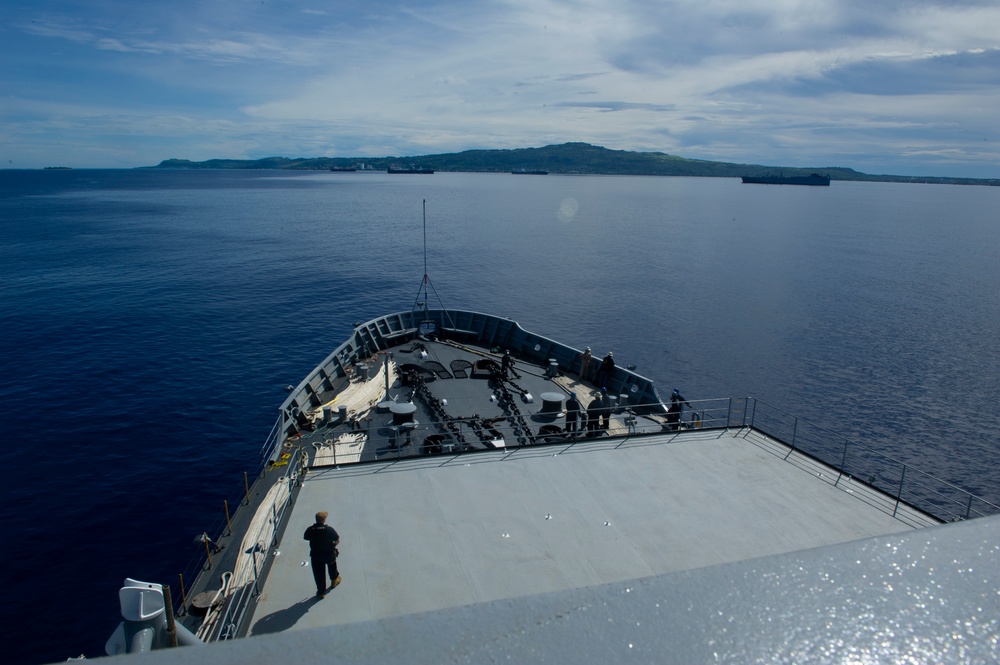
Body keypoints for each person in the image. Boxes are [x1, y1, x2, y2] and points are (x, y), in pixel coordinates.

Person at [304, 511, 341, 597]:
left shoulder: (310, 529)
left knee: (318, 573)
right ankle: (334, 581)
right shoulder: (329, 530)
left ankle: (321, 592)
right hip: (328, 554)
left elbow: (306, 537)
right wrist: (333, 546)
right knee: (332, 566)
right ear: (323, 520)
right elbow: (337, 539)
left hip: (316, 555)